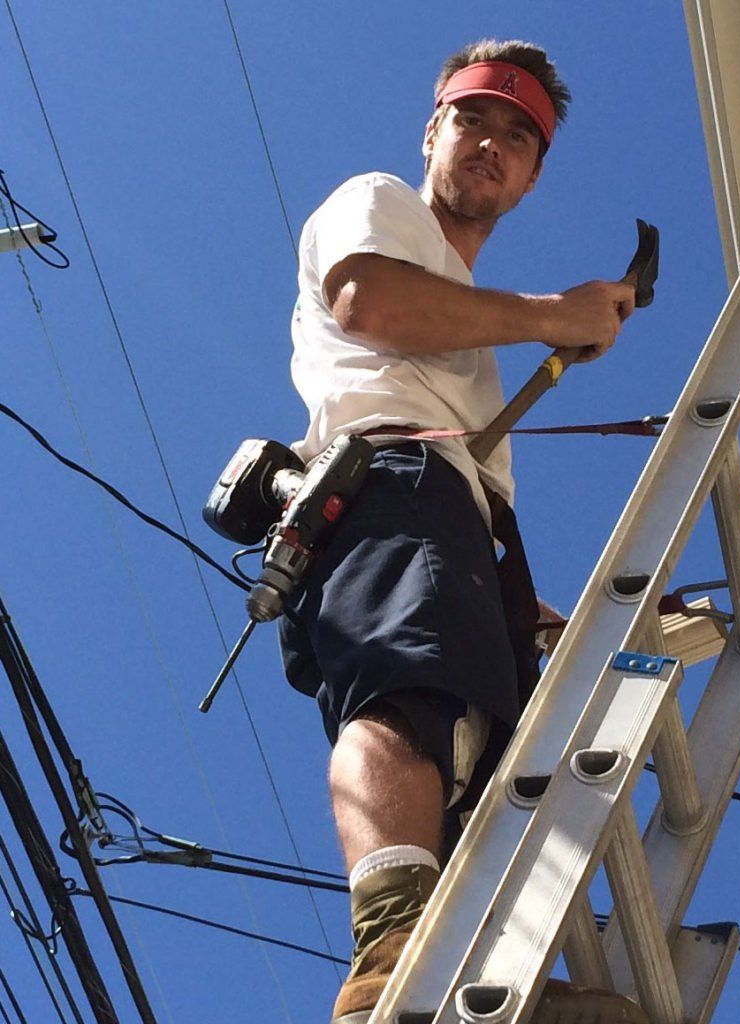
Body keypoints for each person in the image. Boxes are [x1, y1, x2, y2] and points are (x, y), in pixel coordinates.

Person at [278, 39, 642, 1024]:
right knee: (408, 684)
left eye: (516, 135)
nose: (489, 141)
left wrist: (520, 608)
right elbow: (367, 301)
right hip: (387, 479)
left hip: (449, 521)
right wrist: (548, 313)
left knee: (481, 759)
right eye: (472, 118)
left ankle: (471, 981)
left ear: (531, 175)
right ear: (432, 129)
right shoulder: (382, 203)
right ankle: (391, 951)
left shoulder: (471, 342)